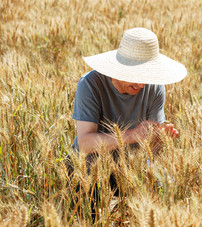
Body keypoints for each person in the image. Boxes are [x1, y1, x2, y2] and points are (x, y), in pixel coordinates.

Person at [68, 27, 187, 219]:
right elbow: (85, 142)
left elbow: (150, 153)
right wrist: (131, 135)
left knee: (164, 191)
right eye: (137, 76)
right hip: (88, 168)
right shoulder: (90, 85)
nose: (142, 85)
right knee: (87, 218)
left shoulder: (154, 87)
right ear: (119, 68)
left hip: (131, 168)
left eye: (147, 76)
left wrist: (160, 141)